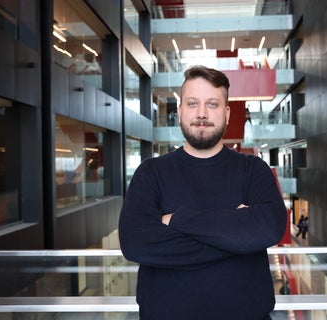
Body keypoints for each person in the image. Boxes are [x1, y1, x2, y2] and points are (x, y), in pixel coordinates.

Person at [118, 65, 287, 320]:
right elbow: (135, 243)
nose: (201, 113)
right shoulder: (151, 172)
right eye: (193, 103)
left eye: (212, 104)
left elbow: (269, 228)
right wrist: (236, 235)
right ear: (180, 110)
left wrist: (178, 220)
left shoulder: (253, 169)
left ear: (227, 113)